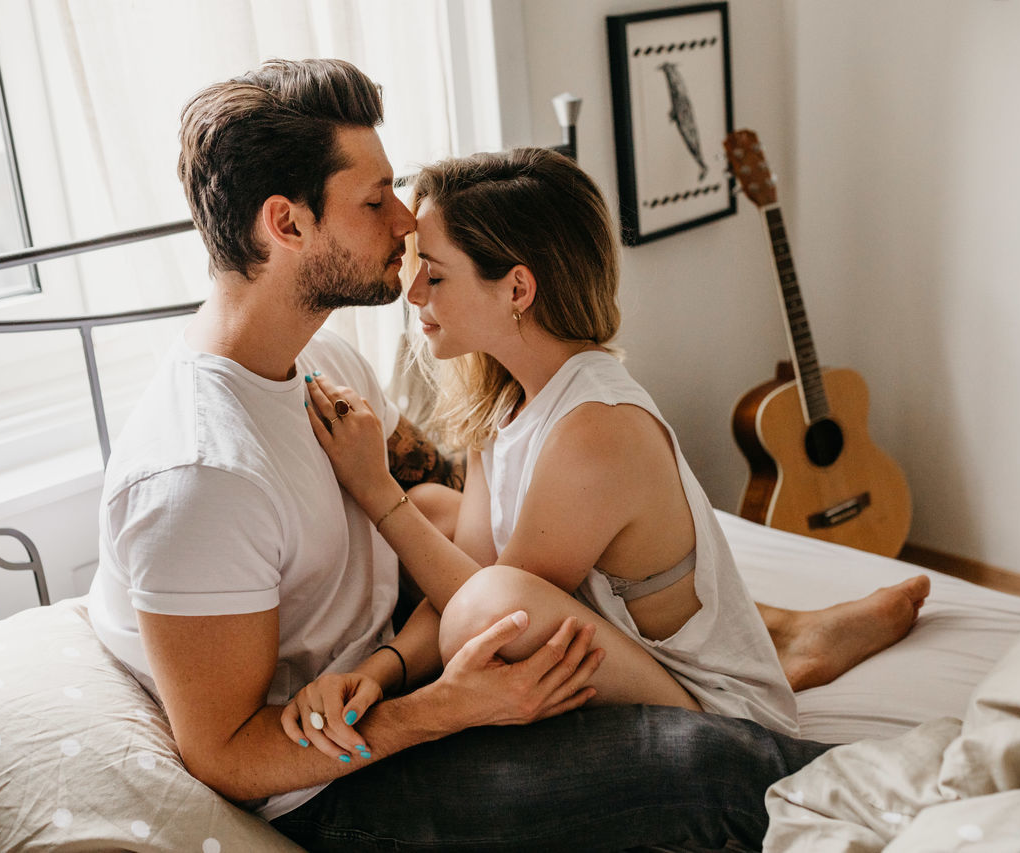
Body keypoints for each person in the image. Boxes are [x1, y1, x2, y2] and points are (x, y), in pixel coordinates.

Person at [88, 57, 835, 853]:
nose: (406, 221)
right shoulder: (200, 477)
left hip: (394, 679)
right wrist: (451, 704)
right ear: (288, 224)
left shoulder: (324, 362)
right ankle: (925, 795)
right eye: (376, 199)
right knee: (699, 769)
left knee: (442, 511)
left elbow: (469, 535)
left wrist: (384, 669)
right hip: (339, 784)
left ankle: (787, 660)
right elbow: (227, 755)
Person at [299, 147, 931, 734]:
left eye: (433, 276)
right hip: (633, 662)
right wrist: (377, 670)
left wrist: (375, 487)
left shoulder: (595, 428)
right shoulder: (504, 402)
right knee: (439, 511)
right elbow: (465, 583)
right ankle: (787, 638)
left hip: (717, 717)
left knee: (475, 590)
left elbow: (484, 612)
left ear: (518, 289)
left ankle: (784, 650)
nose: (412, 296)